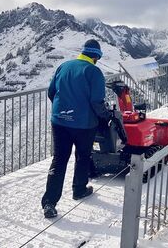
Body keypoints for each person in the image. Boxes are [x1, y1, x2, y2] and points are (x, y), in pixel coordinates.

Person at [41, 39, 111, 219]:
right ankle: (79, 189)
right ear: (96, 56)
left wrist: (63, 109)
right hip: (84, 124)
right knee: (82, 156)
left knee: (59, 159)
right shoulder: (94, 72)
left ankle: (49, 202)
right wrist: (106, 116)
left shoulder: (64, 66)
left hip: (59, 122)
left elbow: (51, 92)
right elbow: (97, 102)